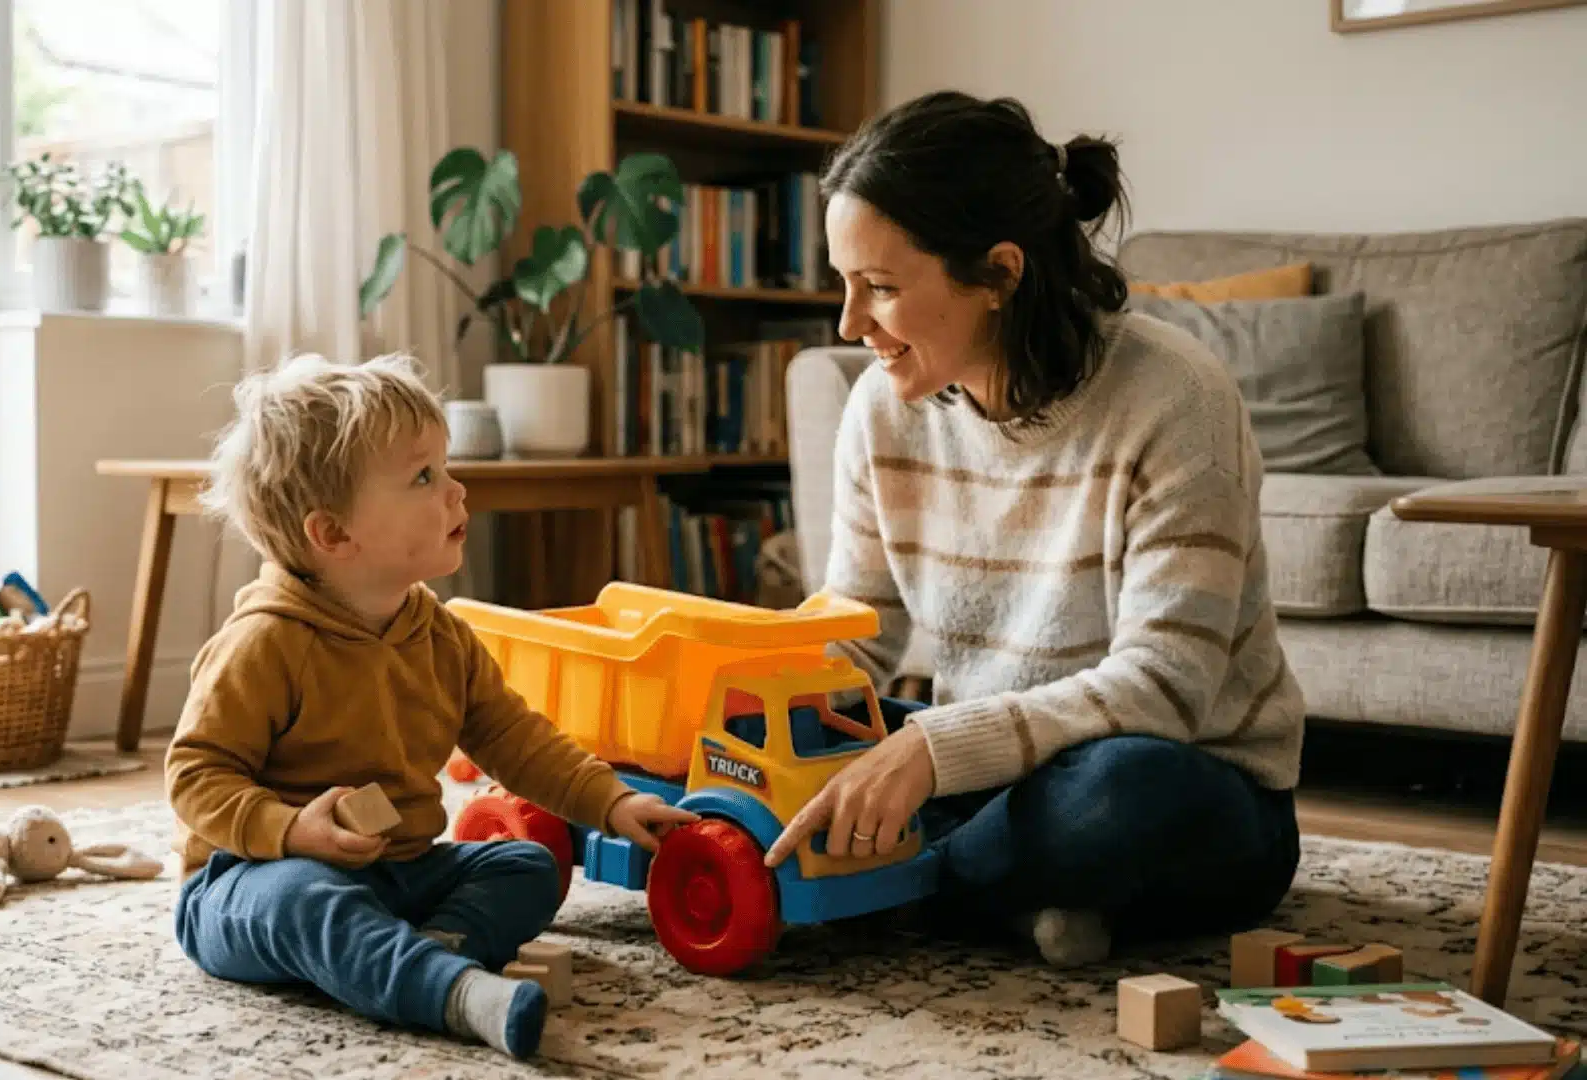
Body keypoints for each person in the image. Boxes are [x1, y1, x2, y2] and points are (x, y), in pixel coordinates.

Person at [764, 91, 1306, 967]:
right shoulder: (879, 409)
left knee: (1115, 795)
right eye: (844, 283)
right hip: (991, 769)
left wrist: (930, 758)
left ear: (1000, 274)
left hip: (1188, 784)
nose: (849, 324)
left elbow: (1163, 692)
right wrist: (751, 697)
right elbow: (858, 625)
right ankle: (994, 890)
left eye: (883, 288)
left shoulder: (1178, 400)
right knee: (804, 746)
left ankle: (886, 880)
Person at [165, 353, 694, 1059]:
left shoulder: (439, 634)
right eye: (423, 477)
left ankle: (419, 957)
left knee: (528, 866)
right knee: (306, 901)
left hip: (396, 872)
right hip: (253, 877)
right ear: (333, 534)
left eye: (444, 468)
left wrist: (611, 802)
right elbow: (195, 776)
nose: (455, 490)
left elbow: (514, 737)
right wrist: (292, 831)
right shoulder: (265, 643)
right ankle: (456, 994)